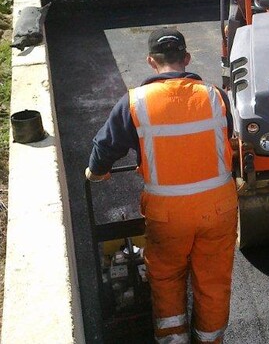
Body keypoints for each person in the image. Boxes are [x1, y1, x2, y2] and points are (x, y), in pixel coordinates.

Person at [85, 28, 237, 344]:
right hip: (219, 209)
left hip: (169, 215)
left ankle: (174, 339)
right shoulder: (215, 96)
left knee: (167, 277)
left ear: (151, 62)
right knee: (213, 279)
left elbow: (104, 148)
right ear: (187, 58)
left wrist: (96, 173)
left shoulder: (136, 102)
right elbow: (227, 140)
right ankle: (210, 339)